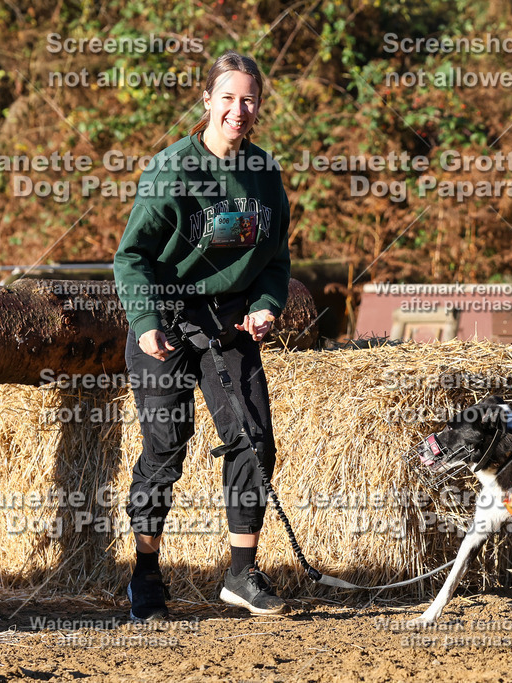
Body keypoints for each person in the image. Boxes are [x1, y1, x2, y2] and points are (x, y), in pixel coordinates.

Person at [113, 51, 291, 621]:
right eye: (229, 98)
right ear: (207, 101)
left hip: (228, 321)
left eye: (250, 99)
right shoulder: (174, 168)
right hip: (164, 318)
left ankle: (241, 575)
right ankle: (145, 573)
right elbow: (132, 256)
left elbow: (275, 258)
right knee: (166, 446)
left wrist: (265, 307)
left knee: (253, 437)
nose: (239, 110)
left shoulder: (265, 173)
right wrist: (144, 325)